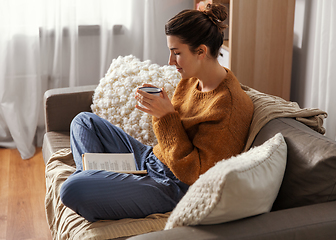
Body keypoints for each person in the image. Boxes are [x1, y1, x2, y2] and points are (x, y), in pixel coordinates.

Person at [60, 3, 254, 222]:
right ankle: (102, 182)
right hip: (152, 159)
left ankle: (97, 182)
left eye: (176, 53)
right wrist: (161, 111)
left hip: (171, 186)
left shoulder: (227, 106)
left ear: (201, 51)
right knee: (83, 122)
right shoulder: (192, 80)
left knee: (72, 189)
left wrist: (166, 116)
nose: (171, 62)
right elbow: (170, 140)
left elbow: (196, 175)